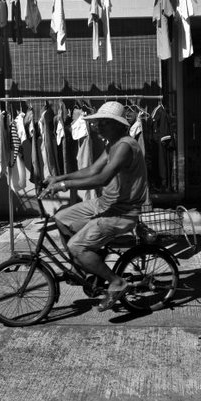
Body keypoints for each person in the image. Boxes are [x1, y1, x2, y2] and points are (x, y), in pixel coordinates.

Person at [40, 100, 148, 312]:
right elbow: (91, 171)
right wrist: (59, 177)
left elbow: (102, 179)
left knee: (75, 246)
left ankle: (116, 282)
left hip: (122, 212)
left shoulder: (125, 146)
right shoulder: (113, 144)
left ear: (117, 125)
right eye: (97, 123)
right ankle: (87, 268)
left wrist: (63, 185)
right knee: (62, 218)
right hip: (104, 203)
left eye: (103, 123)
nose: (97, 127)